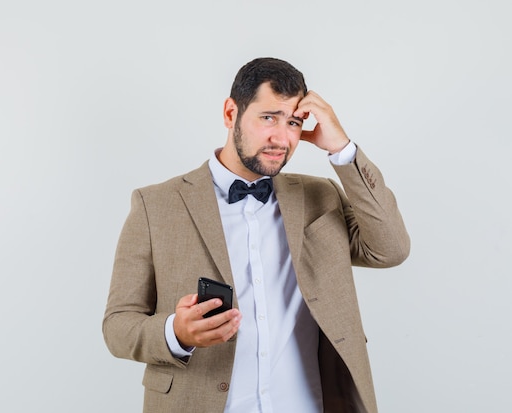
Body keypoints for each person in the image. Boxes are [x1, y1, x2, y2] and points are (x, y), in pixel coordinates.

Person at [102, 57, 410, 413]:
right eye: (268, 118)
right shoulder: (155, 205)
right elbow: (118, 325)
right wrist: (177, 333)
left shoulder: (321, 197)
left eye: (294, 122)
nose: (282, 138)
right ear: (230, 113)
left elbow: (391, 249)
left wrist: (342, 150)